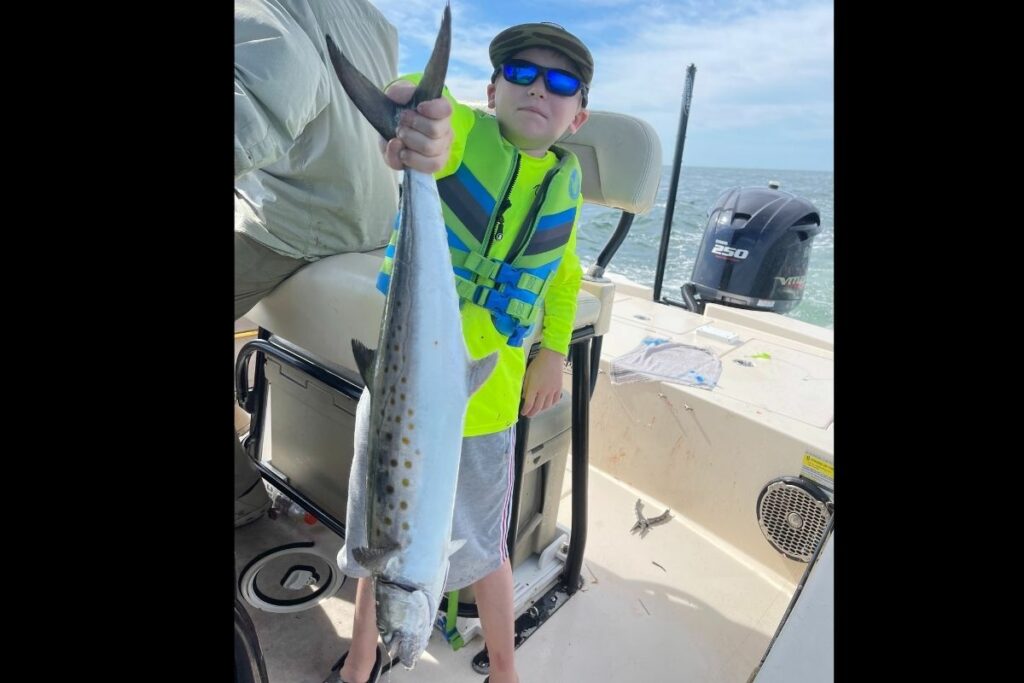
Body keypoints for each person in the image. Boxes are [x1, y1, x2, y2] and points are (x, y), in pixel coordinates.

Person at [333, 21, 594, 683]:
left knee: (484, 548)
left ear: (577, 116)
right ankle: (361, 660)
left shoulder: (564, 189)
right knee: (376, 545)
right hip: (399, 400)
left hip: (484, 402)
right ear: (492, 90)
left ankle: (504, 669)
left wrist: (554, 351)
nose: (539, 88)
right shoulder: (462, 139)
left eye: (561, 82)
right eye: (522, 73)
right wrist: (415, 115)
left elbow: (564, 277)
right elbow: (430, 109)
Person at [233, 0, 454, 527]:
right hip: (376, 223)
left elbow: (280, 76)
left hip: (297, 225)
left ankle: (241, 502)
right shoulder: (376, 20)